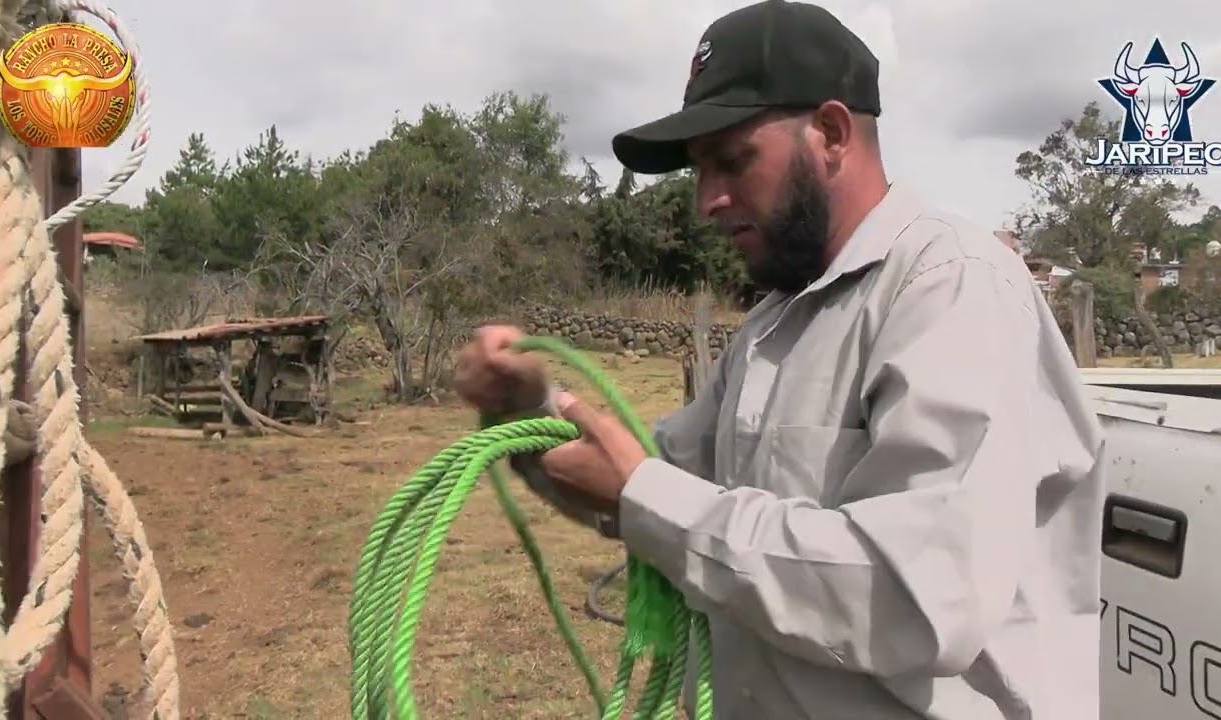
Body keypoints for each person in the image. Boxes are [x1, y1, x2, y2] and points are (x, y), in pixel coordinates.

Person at [454, 1, 1104, 718]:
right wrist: (526, 412)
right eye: (699, 171)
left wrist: (647, 497)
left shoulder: (952, 287)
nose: (707, 200)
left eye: (733, 161)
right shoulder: (773, 324)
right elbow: (648, 481)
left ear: (830, 132)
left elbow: (916, 599)